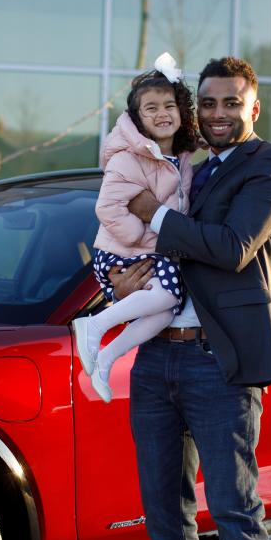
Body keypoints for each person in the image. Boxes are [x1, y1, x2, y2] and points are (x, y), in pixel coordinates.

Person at [110, 56, 271, 540]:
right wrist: (122, 279)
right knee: (164, 509)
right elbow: (138, 238)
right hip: (157, 357)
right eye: (209, 103)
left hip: (219, 364)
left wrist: (152, 215)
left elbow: (230, 246)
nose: (218, 113)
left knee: (235, 511)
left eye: (231, 103)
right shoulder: (185, 165)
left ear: (254, 108)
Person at [72, 53, 197, 402]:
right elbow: (107, 207)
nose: (161, 114)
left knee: (167, 309)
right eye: (151, 108)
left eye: (169, 105)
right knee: (170, 295)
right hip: (121, 251)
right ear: (138, 120)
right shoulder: (129, 159)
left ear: (182, 111)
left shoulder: (181, 161)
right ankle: (94, 326)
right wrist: (142, 238)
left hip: (152, 251)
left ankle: (107, 359)